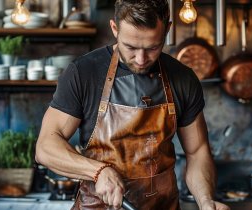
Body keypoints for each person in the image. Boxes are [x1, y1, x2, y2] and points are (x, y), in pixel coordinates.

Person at [35, 0, 230, 209]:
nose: (141, 59)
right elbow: (45, 147)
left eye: (153, 47)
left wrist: (205, 200)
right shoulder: (83, 73)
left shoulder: (183, 78)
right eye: (130, 47)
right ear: (114, 29)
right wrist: (97, 171)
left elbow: (197, 152)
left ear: (167, 30)